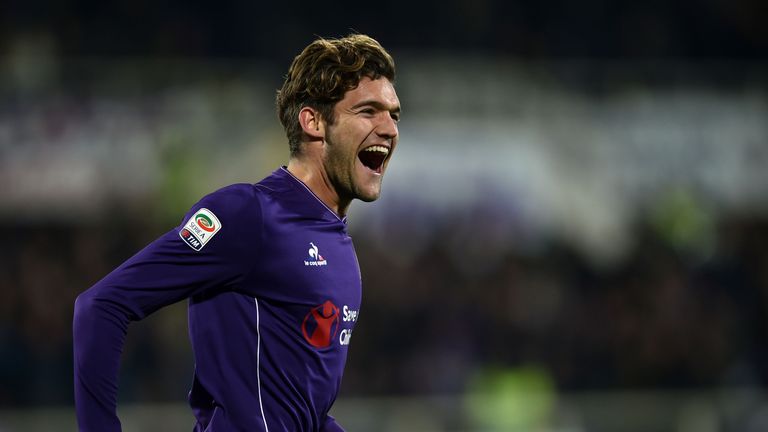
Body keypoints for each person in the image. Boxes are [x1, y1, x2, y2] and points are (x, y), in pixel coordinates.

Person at [73, 34, 401, 432]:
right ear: (313, 121)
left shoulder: (339, 241)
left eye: (394, 115)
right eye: (369, 111)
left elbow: (302, 411)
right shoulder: (247, 214)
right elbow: (102, 306)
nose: (388, 128)